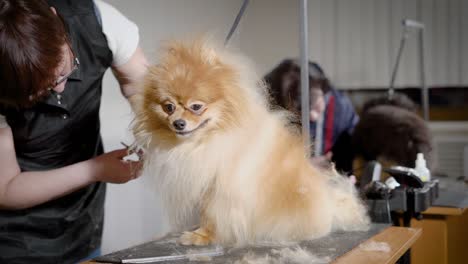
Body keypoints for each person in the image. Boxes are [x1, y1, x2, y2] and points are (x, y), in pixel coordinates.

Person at [0, 0, 148, 262]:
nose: (58, 90)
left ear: (58, 21)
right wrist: (96, 169)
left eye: (62, 73)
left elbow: (137, 83)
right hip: (15, 239)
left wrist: (152, 129)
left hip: (83, 221)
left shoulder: (101, 21)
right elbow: (6, 189)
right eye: (37, 91)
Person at [264, 59, 359, 174]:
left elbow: (351, 144)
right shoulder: (264, 109)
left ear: (323, 90)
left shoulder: (342, 106)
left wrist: (345, 173)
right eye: (301, 111)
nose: (313, 116)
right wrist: (300, 166)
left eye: (317, 106)